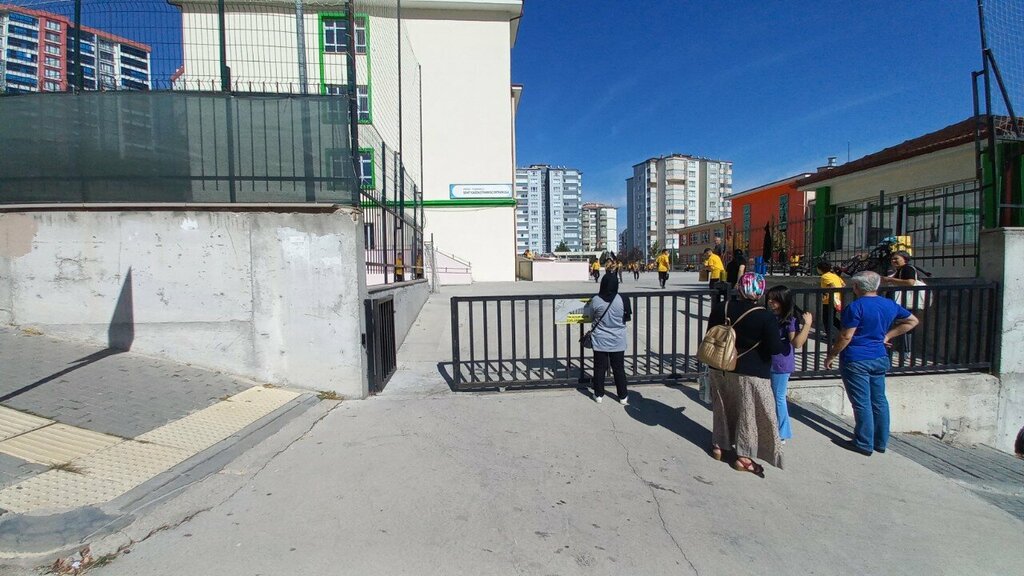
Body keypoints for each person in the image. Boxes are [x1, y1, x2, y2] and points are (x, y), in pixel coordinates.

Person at [825, 271, 919, 455]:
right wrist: (887, 336)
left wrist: (832, 354)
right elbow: (912, 321)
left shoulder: (855, 307)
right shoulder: (889, 304)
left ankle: (863, 442)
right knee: (879, 400)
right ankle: (880, 441)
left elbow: (846, 336)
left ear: (856, 287)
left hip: (856, 358)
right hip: (879, 356)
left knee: (862, 402)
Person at [706, 272, 786, 477]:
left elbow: (711, 334)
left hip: (720, 366)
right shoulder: (765, 316)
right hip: (751, 371)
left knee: (722, 407)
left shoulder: (721, 308)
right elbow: (775, 348)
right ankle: (743, 457)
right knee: (748, 414)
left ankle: (719, 446)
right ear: (761, 292)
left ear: (739, 288)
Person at [765, 285, 813, 443]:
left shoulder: (790, 320)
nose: (770, 302)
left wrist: (807, 325)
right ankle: (772, 427)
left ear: (782, 301)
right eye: (769, 299)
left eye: (774, 299)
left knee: (778, 397)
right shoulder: (771, 316)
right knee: (770, 396)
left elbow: (797, 343)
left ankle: (782, 432)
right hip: (768, 360)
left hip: (781, 363)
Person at [583, 274, 633, 405]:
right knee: (619, 368)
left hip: (600, 339)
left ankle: (598, 394)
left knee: (600, 367)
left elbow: (591, 316)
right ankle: (623, 396)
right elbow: (627, 318)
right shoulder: (623, 299)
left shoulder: (595, 299)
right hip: (618, 340)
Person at [881, 250, 920, 361]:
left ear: (905, 259)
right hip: (898, 302)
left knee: (904, 325)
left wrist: (890, 279)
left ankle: (906, 351)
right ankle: (898, 350)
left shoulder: (908, 269)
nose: (893, 261)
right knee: (897, 325)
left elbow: (910, 282)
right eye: (892, 259)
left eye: (896, 258)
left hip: (903, 302)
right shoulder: (899, 270)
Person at [817, 260, 844, 341]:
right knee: (832, 318)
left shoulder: (824, 276)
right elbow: (843, 284)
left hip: (829, 300)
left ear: (820, 269)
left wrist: (827, 291)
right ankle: (843, 329)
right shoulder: (835, 275)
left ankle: (829, 336)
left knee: (826, 319)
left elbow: (832, 286)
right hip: (837, 299)